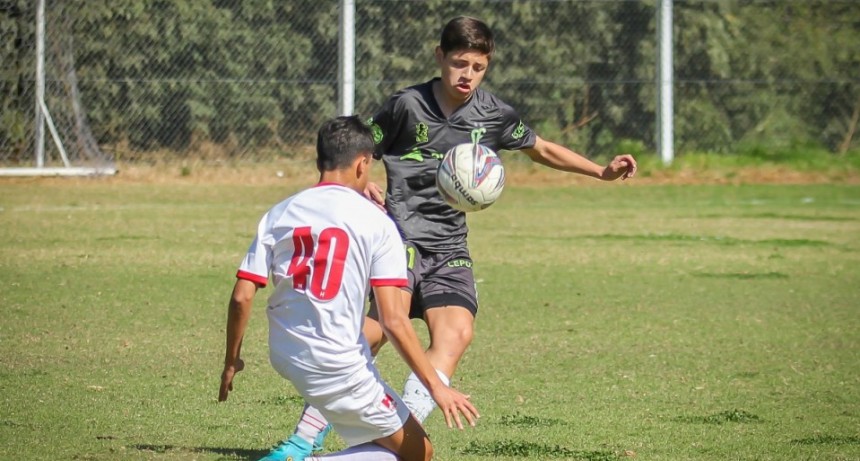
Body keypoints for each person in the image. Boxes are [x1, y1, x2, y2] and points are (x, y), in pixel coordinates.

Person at [260, 16, 637, 461]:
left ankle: (409, 427)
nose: (467, 76)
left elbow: (542, 148)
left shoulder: (494, 114)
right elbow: (357, 152)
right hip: (395, 242)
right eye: (459, 64)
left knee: (457, 331)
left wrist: (600, 171)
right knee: (372, 333)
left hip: (449, 247)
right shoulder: (406, 106)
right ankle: (304, 439)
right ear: (439, 57)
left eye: (478, 67)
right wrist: (360, 187)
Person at [218, 115, 479, 461]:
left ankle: (306, 439)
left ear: (319, 160)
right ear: (362, 164)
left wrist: (231, 359)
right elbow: (393, 320)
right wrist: (436, 387)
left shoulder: (279, 213)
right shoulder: (377, 222)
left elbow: (241, 296)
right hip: (338, 363)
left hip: (284, 352)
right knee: (420, 454)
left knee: (381, 439)